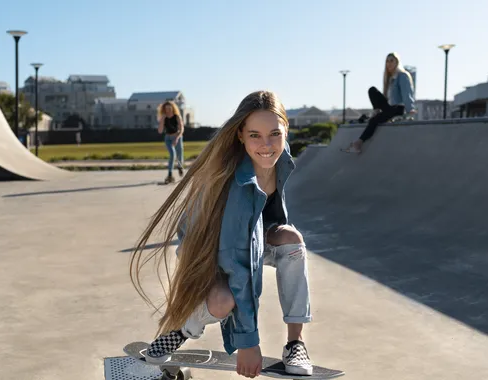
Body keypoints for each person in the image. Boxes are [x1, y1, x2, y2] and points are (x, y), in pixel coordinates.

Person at [131, 90, 313, 378]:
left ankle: (296, 342)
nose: (266, 145)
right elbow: (240, 266)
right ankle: (180, 329)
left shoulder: (280, 155)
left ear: (285, 130)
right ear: (240, 135)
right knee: (222, 301)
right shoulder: (236, 184)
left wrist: (273, 231)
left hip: (251, 235)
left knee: (291, 239)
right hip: (208, 246)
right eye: (255, 135)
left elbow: (267, 217)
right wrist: (248, 342)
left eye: (274, 134)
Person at [344, 52, 416, 154]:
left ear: (397, 62)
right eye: (387, 61)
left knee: (374, 120)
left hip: (399, 109)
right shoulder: (389, 79)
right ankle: (376, 111)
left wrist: (410, 110)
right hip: (390, 108)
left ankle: (358, 143)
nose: (389, 63)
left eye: (392, 61)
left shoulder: (402, 76)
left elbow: (407, 93)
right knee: (372, 90)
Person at [157, 101, 185, 183]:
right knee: (172, 154)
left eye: (169, 108)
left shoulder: (177, 117)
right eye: (166, 109)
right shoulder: (164, 118)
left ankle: (180, 167)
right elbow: (160, 131)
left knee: (180, 154)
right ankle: (170, 174)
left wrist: (177, 138)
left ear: (172, 108)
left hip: (177, 136)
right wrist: (162, 121)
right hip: (168, 138)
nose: (168, 110)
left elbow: (182, 129)